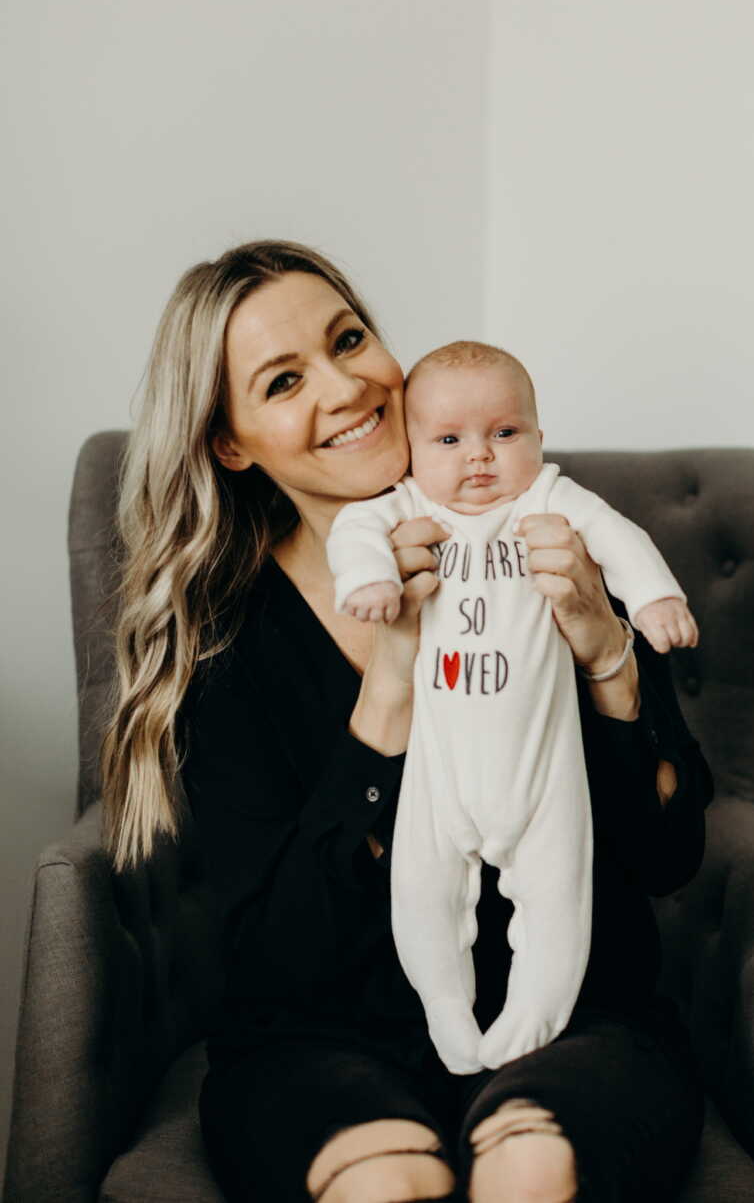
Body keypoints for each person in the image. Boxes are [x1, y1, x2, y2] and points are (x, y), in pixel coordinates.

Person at [99, 239, 715, 1203]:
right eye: (284, 380)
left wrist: (606, 656)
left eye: (350, 339)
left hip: (576, 1022)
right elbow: (278, 962)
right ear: (232, 442)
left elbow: (668, 860)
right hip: (320, 1048)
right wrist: (388, 691)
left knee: (532, 1170)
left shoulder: (546, 528)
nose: (346, 387)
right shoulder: (227, 644)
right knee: (382, 1186)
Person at [327, 342, 699, 1075]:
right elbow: (354, 532)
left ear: (538, 434)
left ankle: (534, 1014)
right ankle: (445, 1008)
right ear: (411, 446)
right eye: (449, 439)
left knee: (560, 890)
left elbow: (620, 538)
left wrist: (653, 598)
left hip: (542, 759)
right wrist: (369, 578)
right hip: (440, 766)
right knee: (422, 887)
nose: (479, 458)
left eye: (505, 433)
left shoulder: (548, 498)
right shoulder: (407, 505)